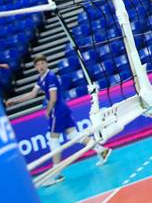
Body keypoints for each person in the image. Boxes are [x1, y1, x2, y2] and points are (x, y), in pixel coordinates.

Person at [8, 55, 111, 185]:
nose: (40, 66)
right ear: (35, 67)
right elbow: (32, 94)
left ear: (46, 64)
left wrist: (48, 110)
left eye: (42, 63)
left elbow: (53, 98)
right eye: (38, 64)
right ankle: (101, 150)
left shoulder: (50, 77)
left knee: (53, 140)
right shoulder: (41, 78)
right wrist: (14, 100)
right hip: (62, 109)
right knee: (74, 135)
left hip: (57, 111)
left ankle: (57, 174)